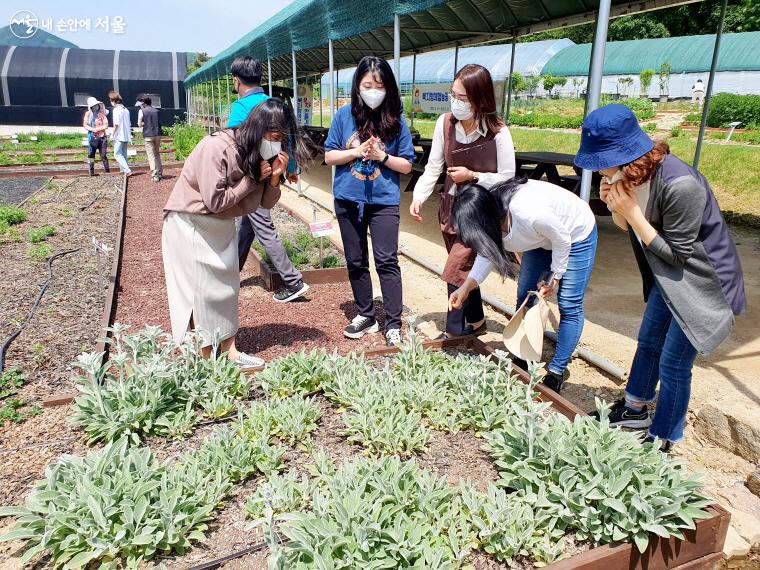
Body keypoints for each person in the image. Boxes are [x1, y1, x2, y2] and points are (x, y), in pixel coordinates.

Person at [574, 104, 746, 450]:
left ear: (623, 154)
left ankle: (664, 435)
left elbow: (678, 255)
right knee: (649, 340)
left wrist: (632, 212)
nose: (596, 169)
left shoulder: (681, 184)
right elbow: (633, 232)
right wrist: (616, 208)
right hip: (668, 279)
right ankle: (635, 408)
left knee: (674, 363)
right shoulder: (627, 176)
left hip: (702, 284)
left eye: (599, 160)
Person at [162, 98, 315, 369]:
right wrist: (252, 179)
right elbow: (215, 201)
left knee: (227, 288)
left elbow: (265, 203)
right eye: (274, 136)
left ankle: (230, 351)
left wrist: (275, 178)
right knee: (202, 292)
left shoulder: (261, 150)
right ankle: (206, 357)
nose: (276, 143)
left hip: (220, 225)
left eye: (281, 138)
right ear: (258, 127)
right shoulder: (217, 147)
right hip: (191, 223)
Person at [449, 176, 597, 391]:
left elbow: (562, 239)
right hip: (540, 238)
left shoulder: (529, 214)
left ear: (486, 219)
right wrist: (465, 288)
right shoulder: (492, 220)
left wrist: (555, 275)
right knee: (525, 296)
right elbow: (486, 253)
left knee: (568, 303)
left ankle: (556, 370)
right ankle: (525, 355)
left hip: (575, 233)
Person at [410, 63, 515, 337]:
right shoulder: (444, 124)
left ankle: (453, 332)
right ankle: (478, 323)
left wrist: (474, 176)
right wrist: (419, 196)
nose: (455, 102)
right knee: (464, 269)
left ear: (481, 100)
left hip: (480, 211)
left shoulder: (499, 133)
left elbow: (508, 177)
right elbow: (433, 165)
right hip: (451, 208)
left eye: (463, 98)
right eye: (453, 95)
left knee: (455, 268)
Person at [324, 55, 415, 346]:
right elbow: (329, 156)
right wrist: (354, 152)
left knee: (386, 260)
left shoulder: (396, 122)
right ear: (357, 86)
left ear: (388, 88)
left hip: (383, 200)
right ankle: (365, 314)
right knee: (355, 259)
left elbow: (407, 165)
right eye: (367, 84)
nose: (373, 90)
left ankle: (393, 322)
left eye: (379, 85)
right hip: (348, 198)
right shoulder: (343, 116)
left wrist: (382, 156)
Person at [228, 56, 310, 303]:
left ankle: (293, 280)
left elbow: (231, 143)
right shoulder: (275, 104)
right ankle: (232, 272)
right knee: (247, 225)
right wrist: (292, 167)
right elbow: (291, 137)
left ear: (236, 80)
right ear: (261, 79)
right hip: (274, 170)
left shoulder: (241, 107)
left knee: (262, 224)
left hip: (253, 175)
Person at [136, 95, 163, 182]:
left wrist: (144, 124)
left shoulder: (141, 111)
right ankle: (160, 172)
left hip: (148, 135)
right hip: (157, 134)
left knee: (151, 155)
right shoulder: (157, 111)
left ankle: (155, 175)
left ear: (143, 103)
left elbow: (139, 124)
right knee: (157, 153)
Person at [82, 96, 110, 176]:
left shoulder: (101, 114)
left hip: (102, 138)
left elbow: (106, 125)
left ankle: (107, 172)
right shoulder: (88, 114)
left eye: (96, 105)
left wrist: (97, 129)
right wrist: (92, 129)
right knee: (91, 155)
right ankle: (91, 172)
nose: (95, 107)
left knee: (103, 155)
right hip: (92, 138)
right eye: (93, 105)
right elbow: (85, 125)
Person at [108, 91, 132, 176]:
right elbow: (129, 123)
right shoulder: (126, 109)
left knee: (117, 154)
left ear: (113, 100)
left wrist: (112, 134)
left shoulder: (116, 110)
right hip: (126, 135)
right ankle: (124, 171)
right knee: (123, 153)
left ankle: (127, 170)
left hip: (119, 135)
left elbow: (116, 124)